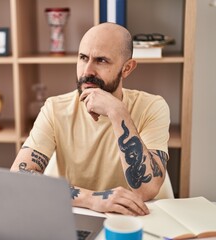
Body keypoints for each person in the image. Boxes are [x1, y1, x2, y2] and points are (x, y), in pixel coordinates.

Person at [10, 22, 170, 216]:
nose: (87, 71)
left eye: (101, 61)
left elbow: (147, 189)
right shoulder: (54, 108)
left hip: (134, 219)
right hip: (75, 215)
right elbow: (19, 178)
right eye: (83, 58)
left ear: (127, 68)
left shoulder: (152, 107)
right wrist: (92, 199)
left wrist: (117, 111)